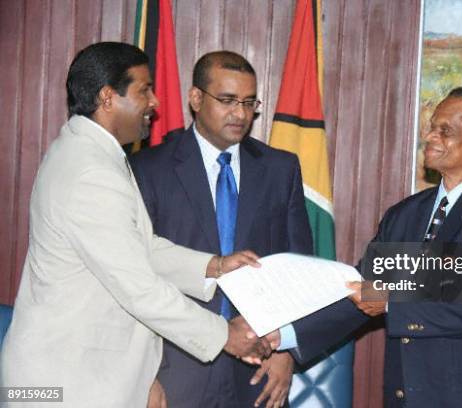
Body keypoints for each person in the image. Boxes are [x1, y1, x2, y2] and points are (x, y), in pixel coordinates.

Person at [0, 42, 273, 408]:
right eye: (144, 90)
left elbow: (139, 248)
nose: (156, 102)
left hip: (79, 376)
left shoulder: (92, 153)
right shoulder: (90, 171)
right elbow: (138, 287)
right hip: (60, 386)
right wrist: (225, 335)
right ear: (108, 97)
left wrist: (215, 266)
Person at [282, 87, 462, 407]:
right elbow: (359, 289)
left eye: (445, 131)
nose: (430, 137)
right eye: (431, 127)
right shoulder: (405, 215)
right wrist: (285, 335)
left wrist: (390, 302)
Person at [130, 51, 312, 408]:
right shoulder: (148, 169)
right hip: (176, 367)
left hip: (261, 367)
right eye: (227, 101)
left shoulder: (280, 169)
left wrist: (286, 350)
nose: (241, 114)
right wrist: (144, 375)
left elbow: (299, 267)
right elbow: (135, 275)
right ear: (196, 99)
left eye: (248, 102)